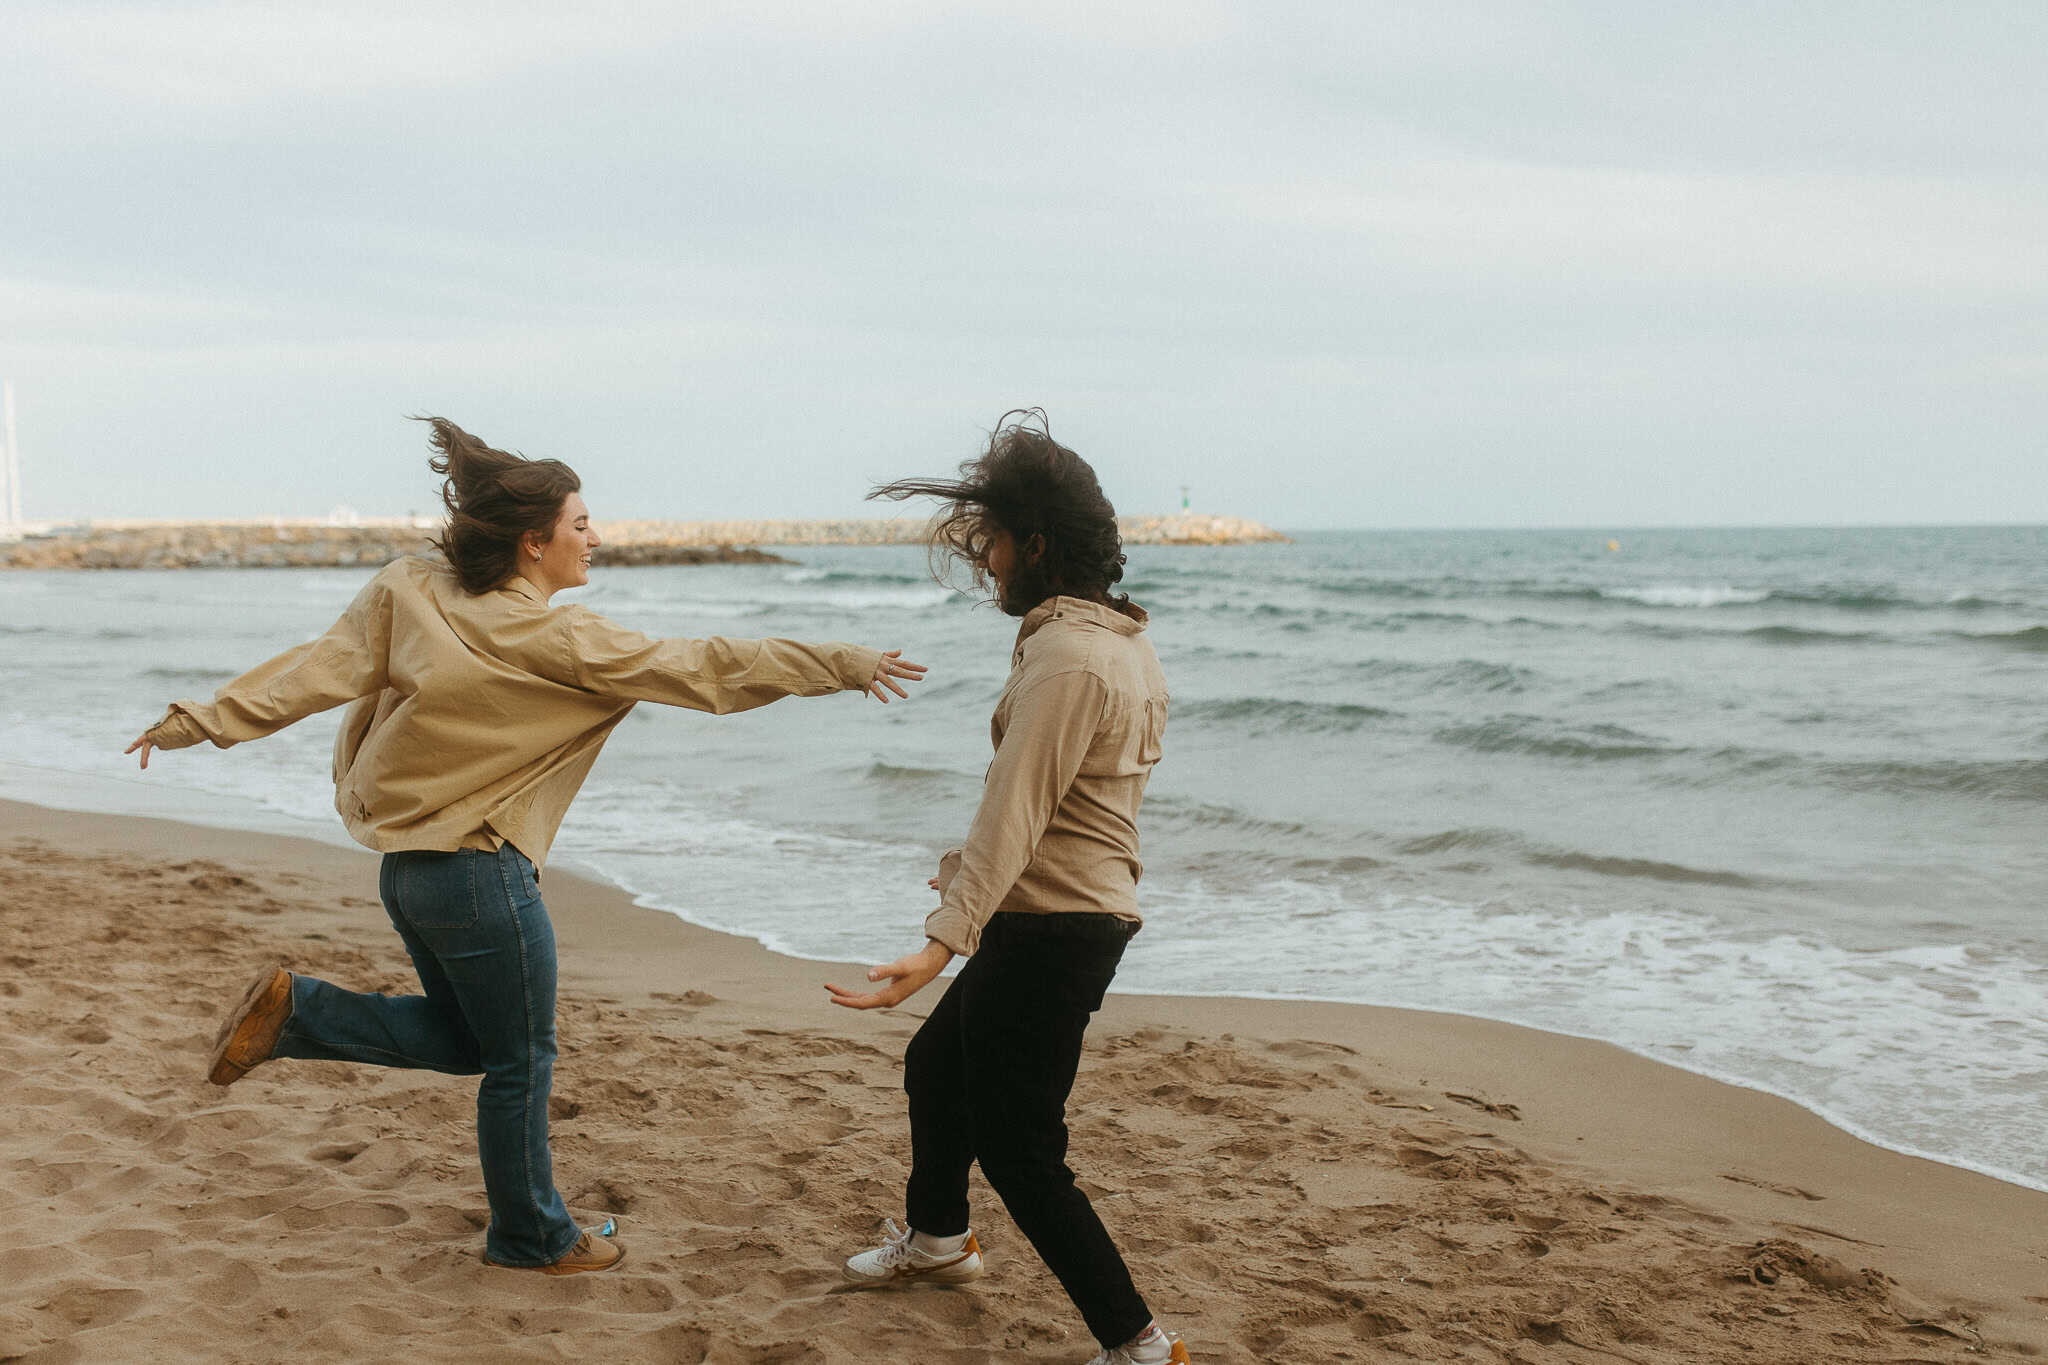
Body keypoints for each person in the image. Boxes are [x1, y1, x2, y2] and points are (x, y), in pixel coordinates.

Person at [125, 417, 927, 1276]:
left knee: (476, 1044)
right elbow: (711, 667)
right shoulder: (565, 640)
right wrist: (839, 661)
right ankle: (531, 1236)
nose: (595, 539)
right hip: (482, 877)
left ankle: (300, 1010)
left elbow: (312, 671)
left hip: (409, 875)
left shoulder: (412, 590)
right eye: (580, 526)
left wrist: (200, 721)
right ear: (533, 542)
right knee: (521, 1060)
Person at [824, 411, 1187, 1365]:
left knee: (1024, 1150)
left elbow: (1015, 811)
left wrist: (940, 941)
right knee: (937, 1069)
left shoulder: (1070, 656)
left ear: (1033, 541)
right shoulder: (1117, 640)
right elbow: (1059, 803)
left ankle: (1139, 1341)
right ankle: (940, 1241)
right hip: (1064, 912)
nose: (984, 560)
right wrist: (971, 899)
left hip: (1057, 927)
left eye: (990, 541)